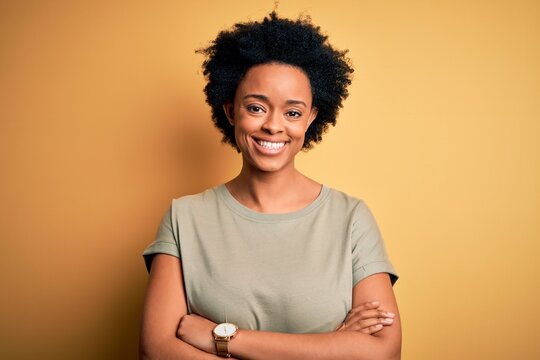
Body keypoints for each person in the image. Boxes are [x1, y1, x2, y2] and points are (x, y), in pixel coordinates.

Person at [139, 12, 401, 360]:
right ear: (231, 110)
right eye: (257, 107)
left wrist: (224, 338)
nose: (273, 126)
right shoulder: (184, 218)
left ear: (310, 118)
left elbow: (382, 355)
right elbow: (156, 351)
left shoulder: (351, 218)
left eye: (292, 113)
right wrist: (330, 348)